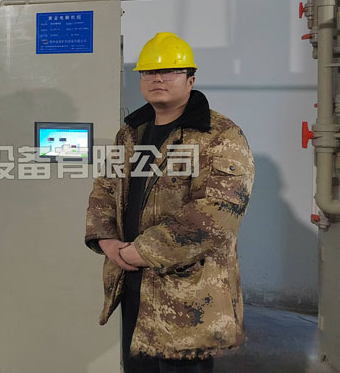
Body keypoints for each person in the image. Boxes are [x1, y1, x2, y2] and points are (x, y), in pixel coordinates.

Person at [85, 32, 255, 373]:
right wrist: (106, 239)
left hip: (188, 295)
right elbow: (106, 187)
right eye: (149, 72)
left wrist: (143, 250)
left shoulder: (220, 135)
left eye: (169, 72)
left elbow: (217, 213)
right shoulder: (131, 133)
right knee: (137, 366)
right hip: (133, 280)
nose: (157, 79)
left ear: (190, 80)